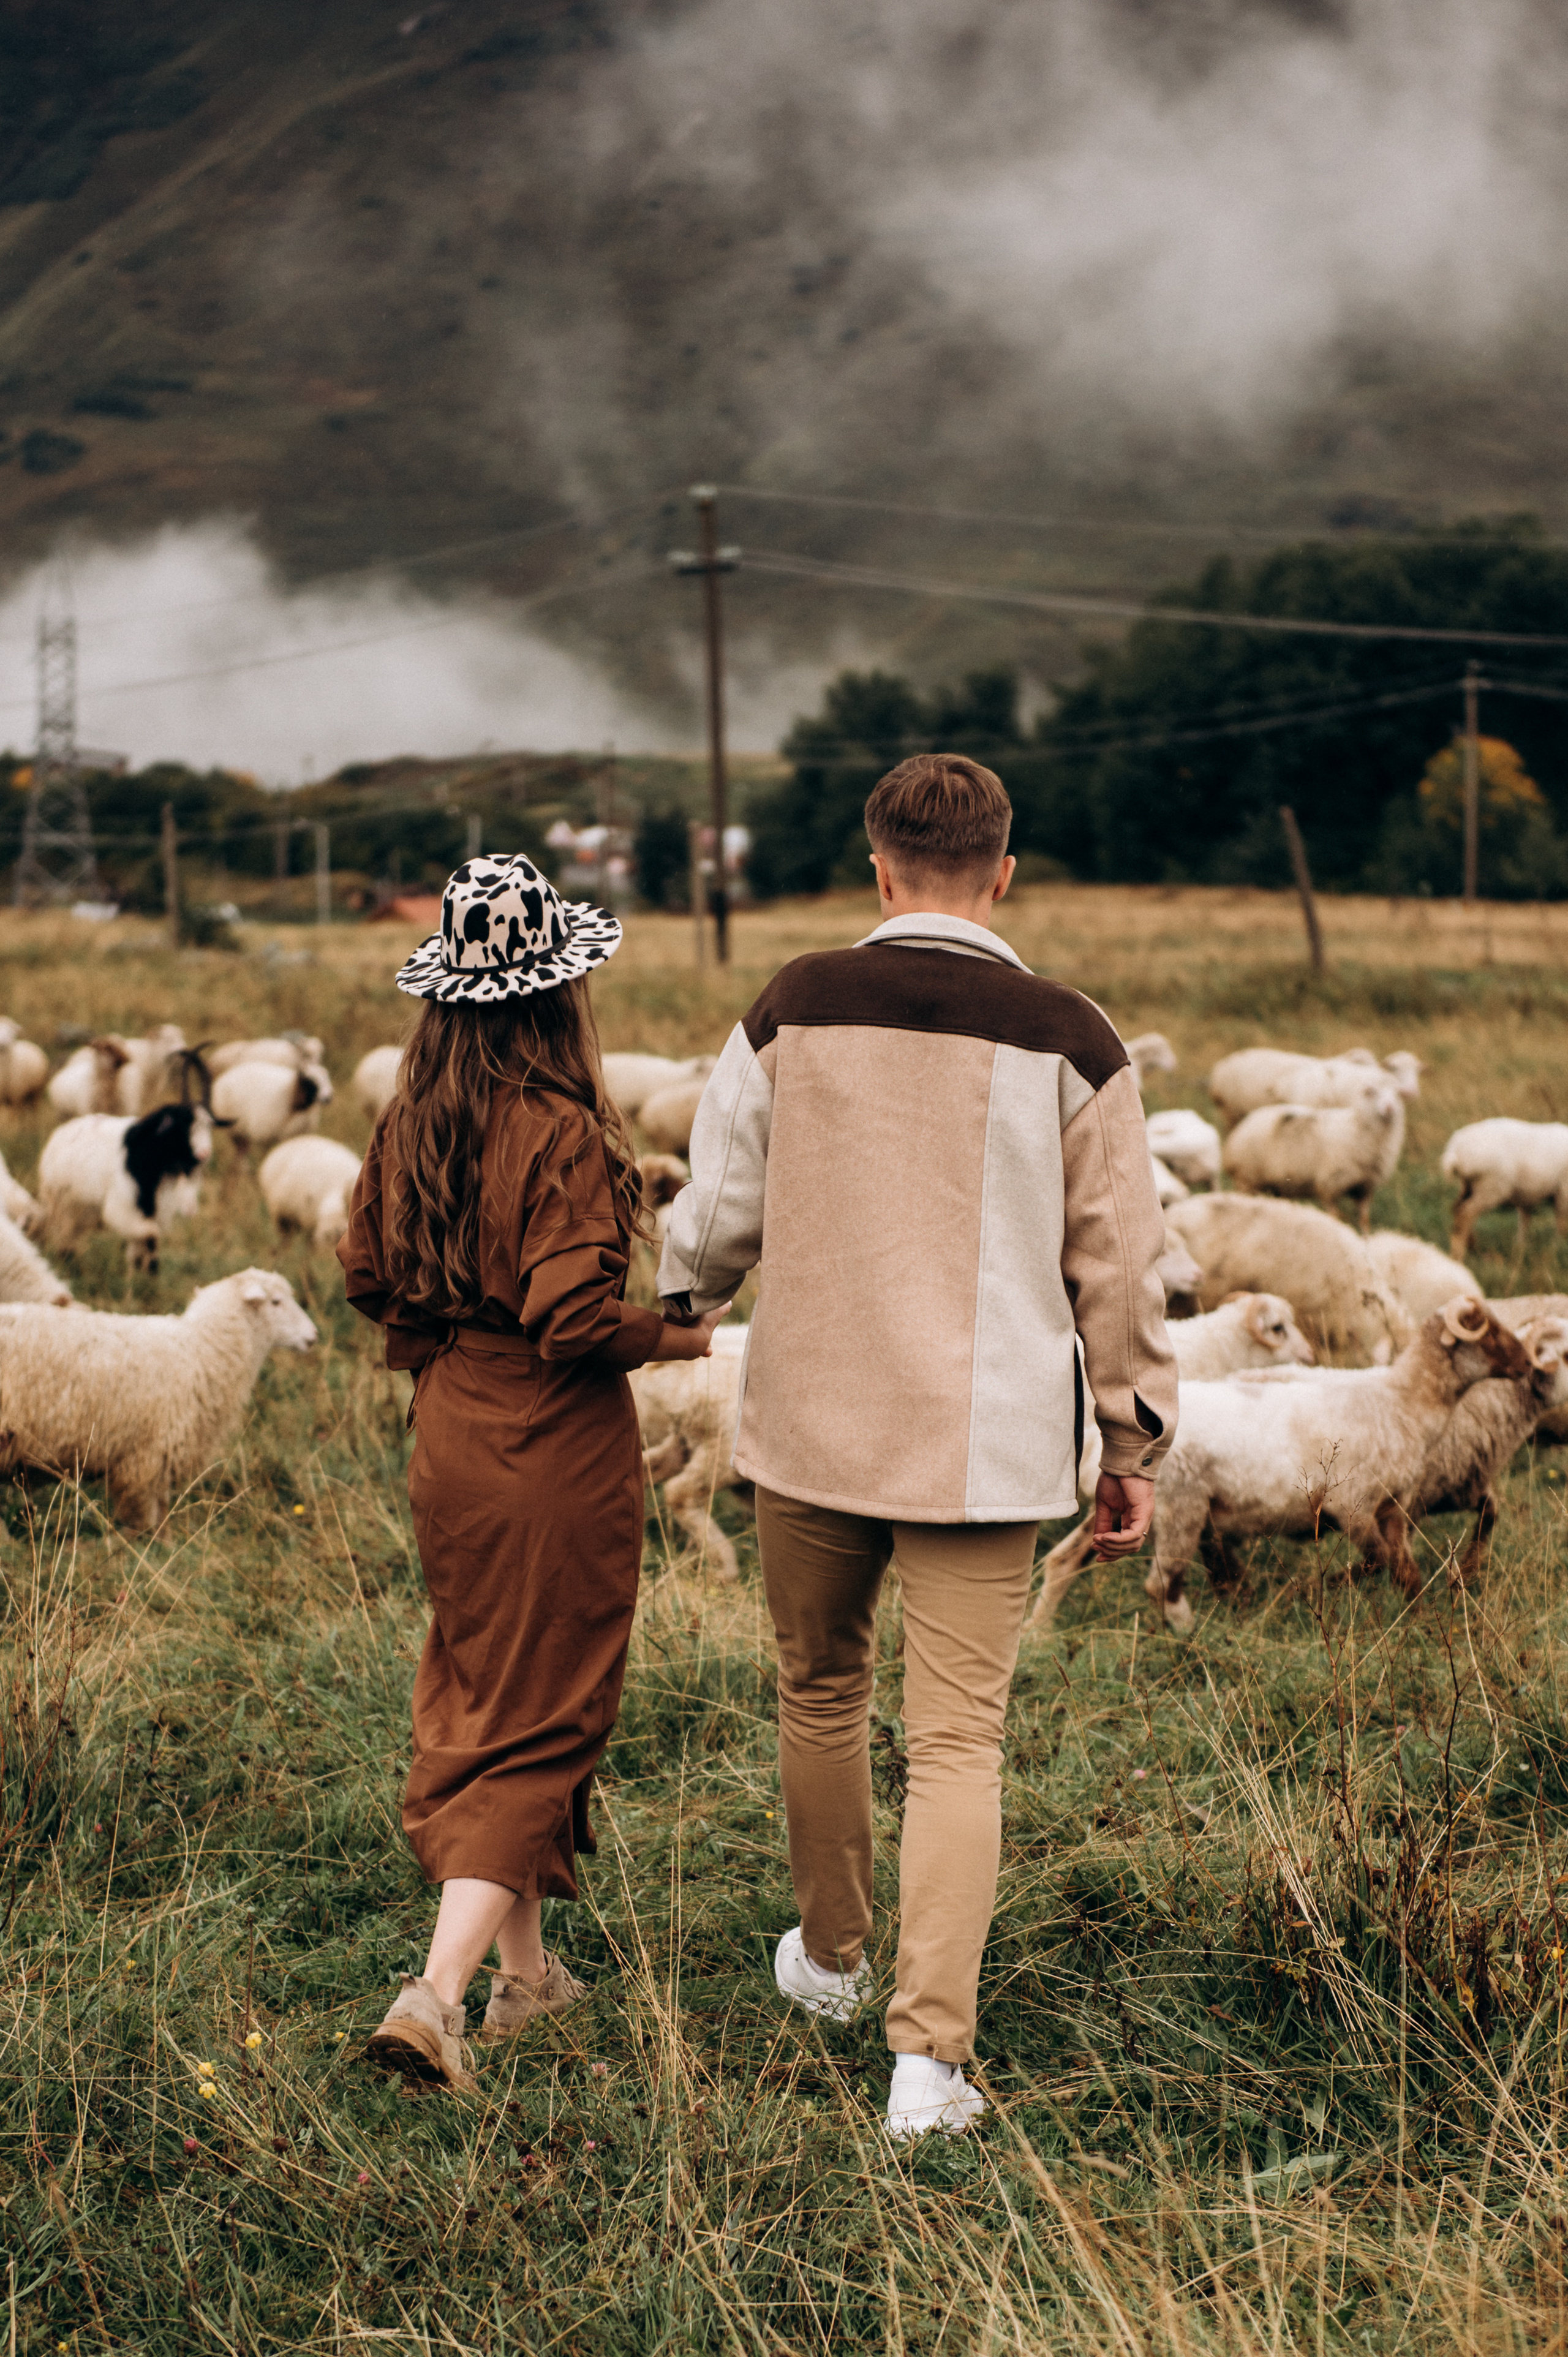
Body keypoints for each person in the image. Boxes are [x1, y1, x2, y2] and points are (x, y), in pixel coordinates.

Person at [658, 755, 1177, 2141]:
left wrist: (675, 1311)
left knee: (817, 1687)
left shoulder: (792, 1003)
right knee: (959, 1744)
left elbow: (712, 1213)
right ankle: (925, 2064)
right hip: (987, 1440)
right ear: (1003, 871)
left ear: (876, 866)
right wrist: (1130, 1441)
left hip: (813, 1421)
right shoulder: (1071, 1036)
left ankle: (828, 1961)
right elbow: (1117, 1264)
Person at [338, 854, 726, 2092]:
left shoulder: (409, 1117)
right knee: (547, 1709)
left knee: (482, 1688)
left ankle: (526, 1978)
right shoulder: (560, 1132)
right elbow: (569, 1321)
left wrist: (437, 1350)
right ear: (557, 992)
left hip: (452, 1425)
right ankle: (434, 1994)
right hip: (549, 1445)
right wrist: (682, 1331)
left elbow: (360, 1270)